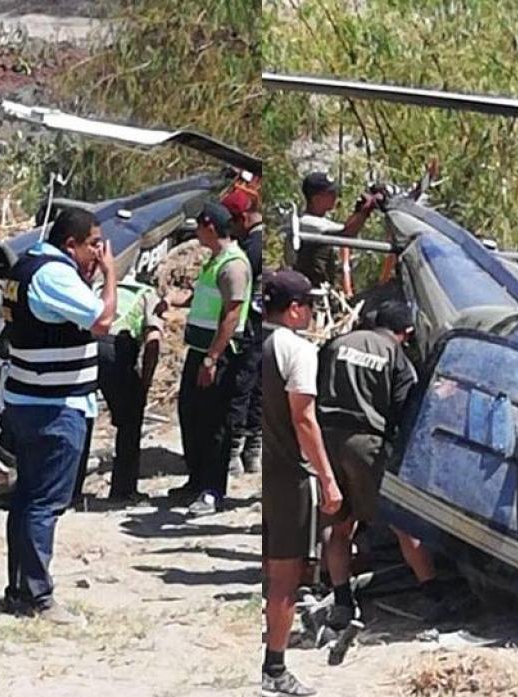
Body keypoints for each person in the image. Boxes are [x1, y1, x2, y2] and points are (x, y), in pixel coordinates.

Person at [0, 208, 117, 624]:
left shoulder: (28, 265)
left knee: (28, 500)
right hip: (52, 408)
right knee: (44, 504)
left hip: (28, 401)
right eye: (94, 245)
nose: (99, 252)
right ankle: (37, 597)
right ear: (71, 244)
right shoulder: (53, 275)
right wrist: (110, 275)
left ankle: (20, 589)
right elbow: (103, 320)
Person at [315, 300, 448, 628]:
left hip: (325, 439)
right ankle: (433, 594)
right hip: (367, 444)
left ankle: (342, 602)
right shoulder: (395, 356)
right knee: (402, 520)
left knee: (339, 524)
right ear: (407, 332)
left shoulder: (336, 344)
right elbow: (405, 412)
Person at [260, 270, 343, 697]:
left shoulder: (255, 342)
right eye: (309, 305)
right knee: (285, 577)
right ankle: (274, 667)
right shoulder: (297, 350)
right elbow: (304, 419)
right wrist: (328, 478)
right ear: (294, 309)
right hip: (288, 476)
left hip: (261, 473)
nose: (311, 313)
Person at [174, 200, 252, 516]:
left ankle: (211, 491)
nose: (195, 232)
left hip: (218, 356)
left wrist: (212, 358)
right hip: (199, 351)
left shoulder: (233, 265)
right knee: (191, 416)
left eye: (198, 226)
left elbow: (232, 314)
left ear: (209, 226)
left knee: (214, 423)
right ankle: (196, 481)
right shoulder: (215, 261)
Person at [70, 275, 166, 504]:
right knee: (130, 422)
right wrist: (145, 383)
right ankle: (123, 490)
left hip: (86, 346)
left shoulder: (101, 288)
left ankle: (71, 490)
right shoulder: (148, 295)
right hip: (116, 350)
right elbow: (153, 341)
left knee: (82, 417)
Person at [222, 186, 265, 475]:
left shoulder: (251, 248)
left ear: (243, 218)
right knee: (257, 388)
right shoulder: (257, 242)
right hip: (260, 328)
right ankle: (251, 451)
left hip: (250, 329)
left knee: (241, 387)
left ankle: (234, 453)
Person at [288, 172, 379, 294]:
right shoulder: (307, 222)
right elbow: (346, 234)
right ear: (316, 199)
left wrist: (359, 211)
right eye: (330, 193)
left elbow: (346, 230)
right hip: (310, 291)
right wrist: (365, 211)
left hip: (322, 289)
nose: (335, 196)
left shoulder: (321, 221)